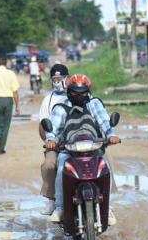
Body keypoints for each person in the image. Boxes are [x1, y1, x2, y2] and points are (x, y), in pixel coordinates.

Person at [44, 74, 120, 225]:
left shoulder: (95, 104)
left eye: (83, 92)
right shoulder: (61, 108)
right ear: (68, 91)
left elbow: (105, 122)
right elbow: (53, 129)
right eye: (74, 92)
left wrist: (111, 135)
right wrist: (51, 140)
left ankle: (107, 207)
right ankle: (60, 207)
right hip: (69, 151)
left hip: (95, 149)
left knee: (106, 168)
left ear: (88, 91)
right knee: (60, 169)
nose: (79, 95)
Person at [38, 63, 70, 215]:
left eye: (60, 78)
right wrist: (49, 142)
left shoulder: (79, 93)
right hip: (57, 143)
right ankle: (52, 200)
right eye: (54, 79)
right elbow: (43, 126)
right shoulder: (48, 100)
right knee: (50, 165)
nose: (57, 81)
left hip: (80, 140)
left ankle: (106, 202)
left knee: (103, 160)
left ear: (67, 78)